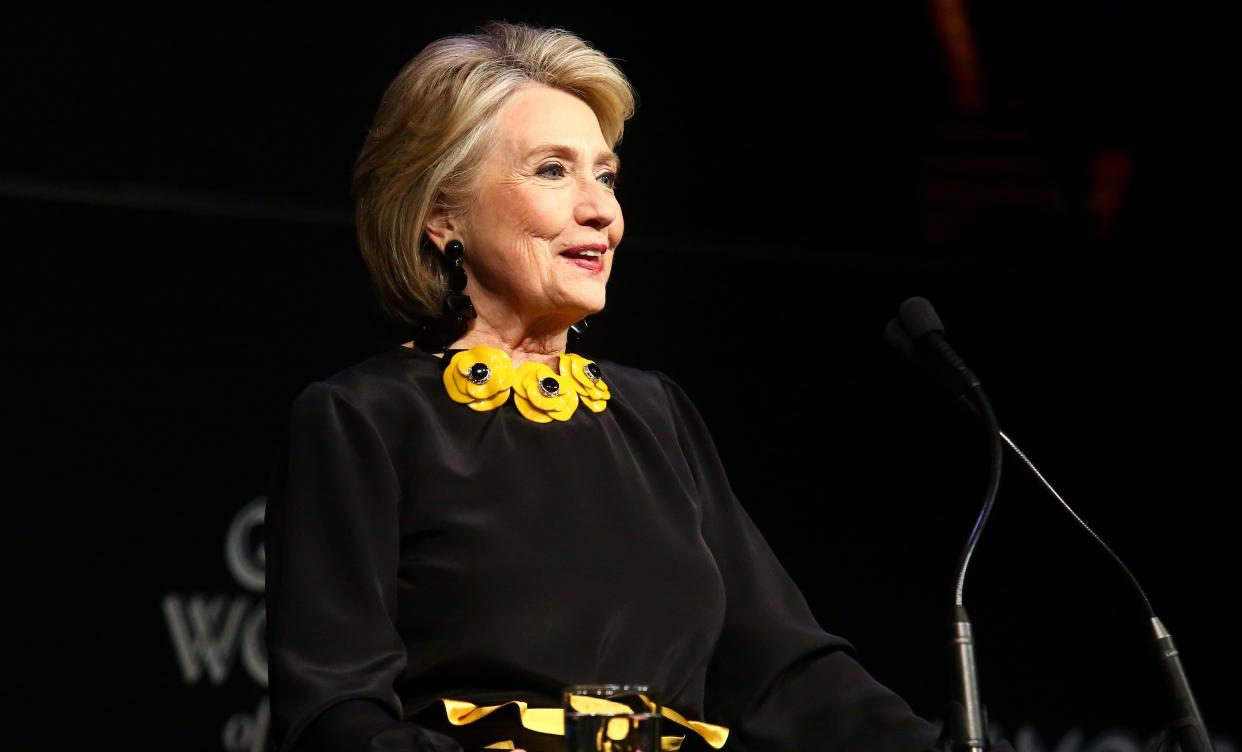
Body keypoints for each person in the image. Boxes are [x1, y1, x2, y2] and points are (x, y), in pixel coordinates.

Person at [265, 20, 1011, 752]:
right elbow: (336, 707)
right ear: (441, 215)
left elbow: (784, 675)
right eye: (553, 170)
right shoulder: (363, 419)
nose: (602, 212)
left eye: (606, 175)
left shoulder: (654, 414)